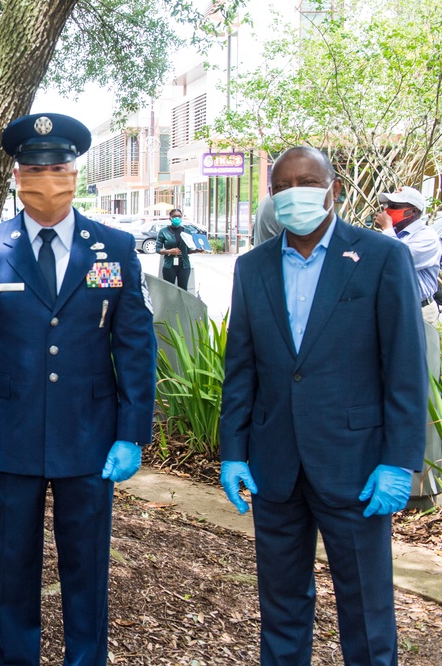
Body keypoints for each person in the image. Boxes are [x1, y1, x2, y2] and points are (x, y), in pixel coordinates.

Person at [0, 113, 157, 665]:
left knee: (86, 567)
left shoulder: (114, 247)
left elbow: (134, 345)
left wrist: (131, 434)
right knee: (13, 566)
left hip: (90, 437)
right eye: (34, 168)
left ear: (74, 172)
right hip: (9, 437)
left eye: (58, 167)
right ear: (16, 175)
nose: (46, 177)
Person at [219, 146, 427, 665]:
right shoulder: (252, 267)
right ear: (271, 195)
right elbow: (241, 369)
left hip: (356, 466)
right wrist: (233, 451)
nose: (296, 193)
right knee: (281, 606)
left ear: (333, 188)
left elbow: (404, 367)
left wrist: (399, 461)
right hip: (275, 466)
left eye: (307, 181)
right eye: (284, 185)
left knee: (365, 608)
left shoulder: (381, 256)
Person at [373, 186, 441, 324]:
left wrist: (387, 229)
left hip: (419, 310)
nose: (387, 210)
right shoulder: (395, 234)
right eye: (387, 205)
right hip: (393, 307)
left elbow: (399, 260)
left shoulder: (427, 236)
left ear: (413, 211)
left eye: (394, 206)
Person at [156, 207, 202, 290]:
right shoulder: (163, 231)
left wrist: (196, 250)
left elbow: (188, 250)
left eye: (179, 216)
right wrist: (170, 251)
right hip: (169, 264)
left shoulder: (186, 231)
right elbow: (158, 249)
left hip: (184, 264)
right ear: (170, 218)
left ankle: (181, 303)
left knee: (183, 289)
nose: (177, 218)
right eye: (174, 216)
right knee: (169, 289)